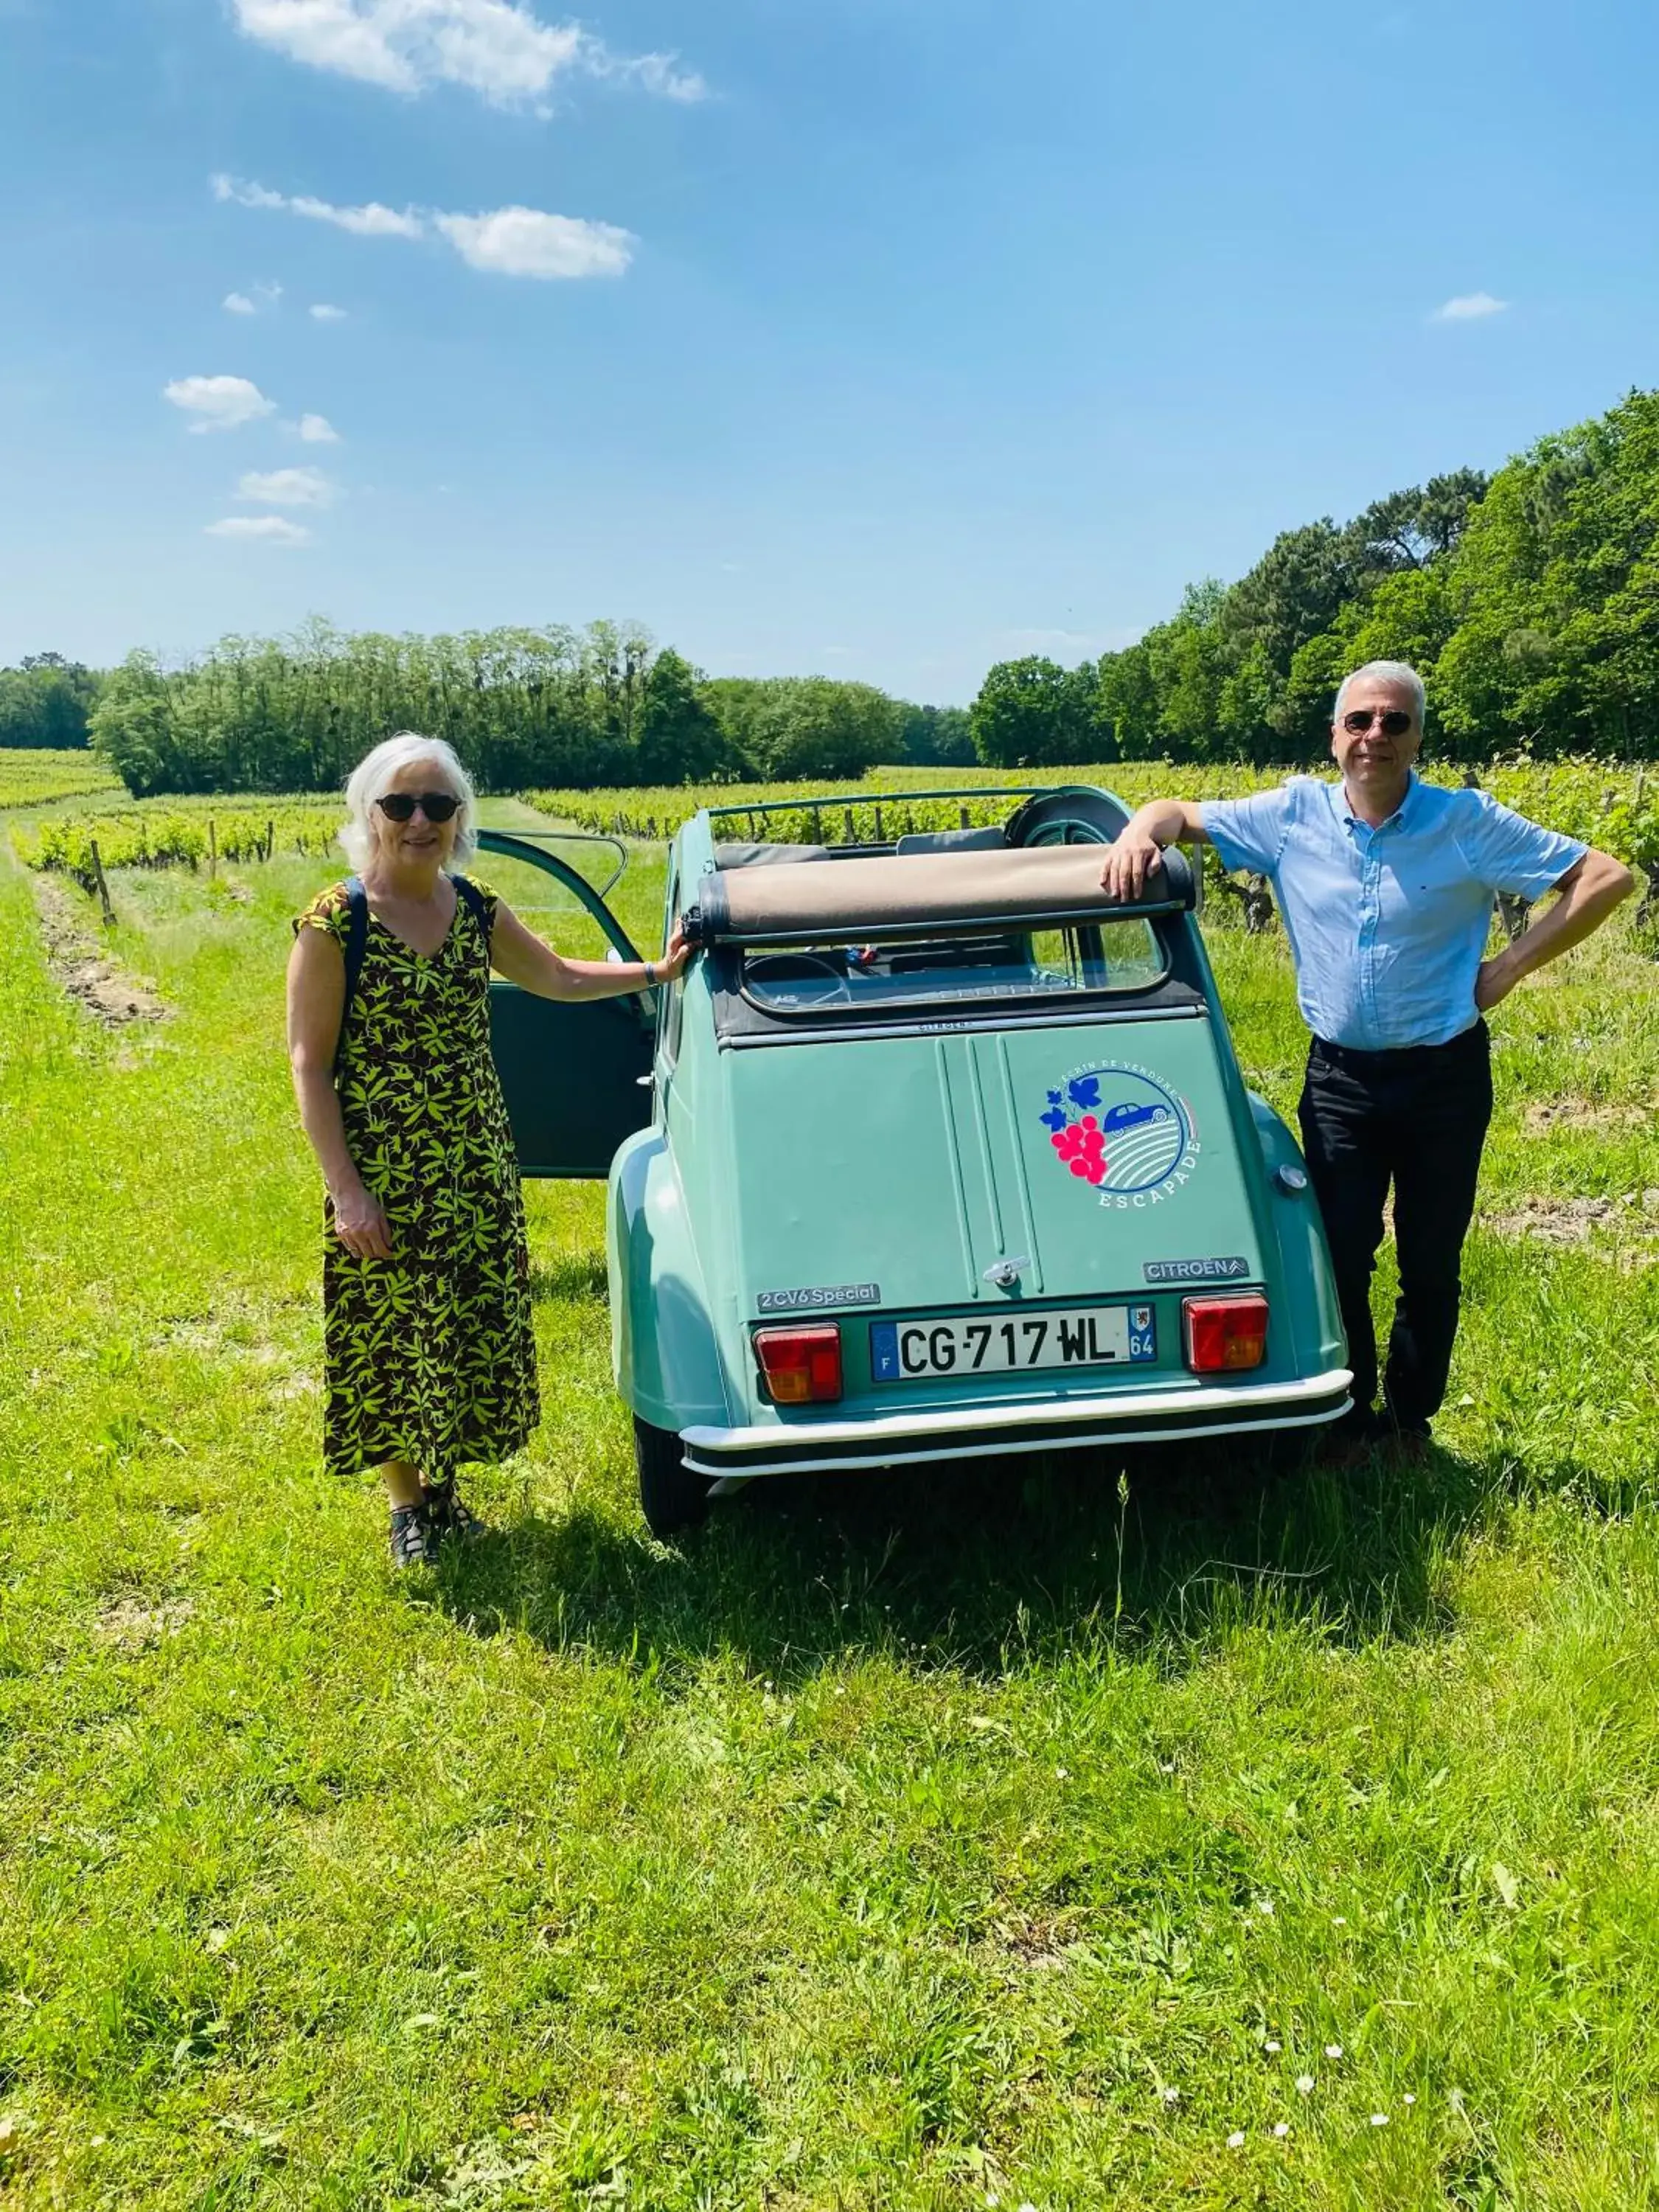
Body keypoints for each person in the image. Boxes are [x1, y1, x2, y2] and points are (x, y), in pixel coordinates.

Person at [1100, 661, 1635, 1453]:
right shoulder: (1291, 817)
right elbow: (1177, 812)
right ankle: (1345, 1419)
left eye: (1394, 723)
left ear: (1418, 736)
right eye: (1360, 722)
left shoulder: (1465, 822)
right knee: (1340, 1253)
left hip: (1444, 1074)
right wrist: (1142, 828)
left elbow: (1605, 877)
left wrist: (1509, 967)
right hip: (1342, 1079)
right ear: (1335, 735)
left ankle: (1409, 1422)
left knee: (1431, 1255)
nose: (1375, 737)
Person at [286, 732, 691, 1565]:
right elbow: (309, 1065)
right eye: (401, 804)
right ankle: (407, 1511)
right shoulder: (337, 921)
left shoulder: (472, 907)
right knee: (390, 1333)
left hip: (472, 1159)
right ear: (370, 814)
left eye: (439, 804)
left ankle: (445, 1495)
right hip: (385, 1171)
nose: (421, 820)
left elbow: (559, 978)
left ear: (459, 817)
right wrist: (348, 1192)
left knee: (465, 1325)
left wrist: (657, 973)